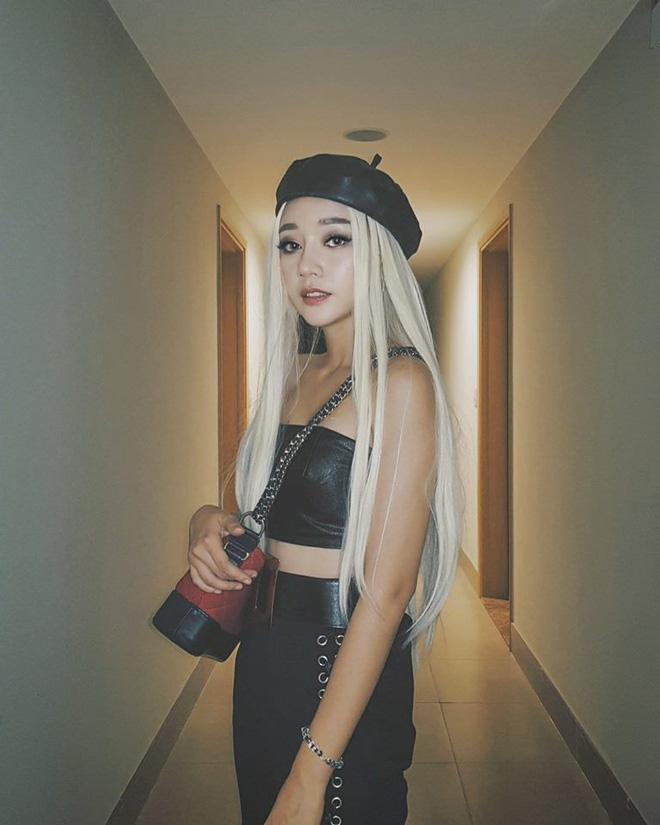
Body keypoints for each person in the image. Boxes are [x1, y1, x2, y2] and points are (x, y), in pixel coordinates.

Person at [186, 153, 465, 825]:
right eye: (290, 244)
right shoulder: (294, 373)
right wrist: (205, 518)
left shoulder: (401, 382)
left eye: (335, 239)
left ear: (377, 254)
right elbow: (267, 509)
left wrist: (311, 772)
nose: (307, 264)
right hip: (265, 657)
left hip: (339, 666)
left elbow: (387, 593)